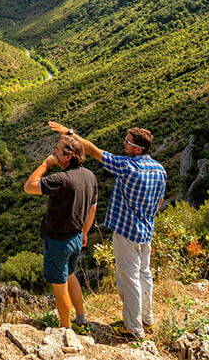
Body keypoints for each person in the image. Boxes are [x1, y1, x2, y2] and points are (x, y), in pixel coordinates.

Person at [48, 121, 167, 341]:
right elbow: (159, 202)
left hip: (126, 232)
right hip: (146, 231)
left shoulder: (127, 166)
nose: (124, 144)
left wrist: (69, 133)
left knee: (129, 279)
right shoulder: (160, 170)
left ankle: (133, 329)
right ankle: (147, 320)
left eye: (128, 142)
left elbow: (93, 151)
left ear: (137, 149)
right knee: (144, 275)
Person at [24, 134, 98, 335]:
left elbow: (29, 186)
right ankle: (81, 320)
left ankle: (66, 331)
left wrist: (45, 165)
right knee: (71, 275)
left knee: (60, 287)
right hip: (75, 237)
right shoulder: (90, 176)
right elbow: (92, 208)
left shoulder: (61, 179)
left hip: (58, 241)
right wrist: (84, 232)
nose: (54, 152)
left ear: (69, 156)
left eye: (58, 149)